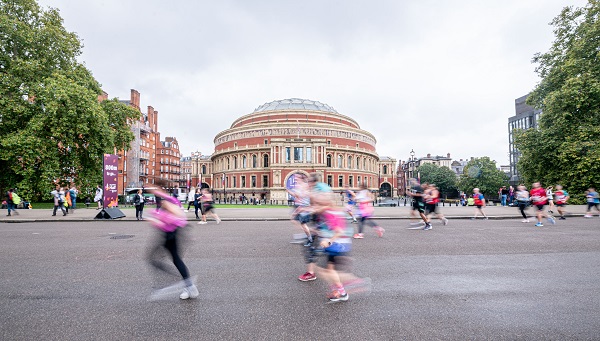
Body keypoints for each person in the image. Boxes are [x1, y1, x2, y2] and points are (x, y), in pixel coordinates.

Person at [146, 185, 198, 300]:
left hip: (172, 234)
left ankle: (186, 283)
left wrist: (157, 219)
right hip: (168, 234)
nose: (153, 193)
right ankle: (187, 284)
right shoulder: (164, 201)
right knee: (162, 259)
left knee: (162, 259)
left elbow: (178, 216)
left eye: (155, 190)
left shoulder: (168, 201)